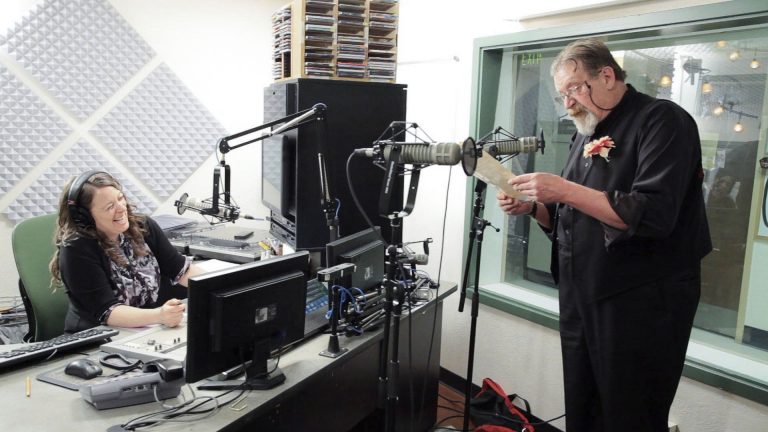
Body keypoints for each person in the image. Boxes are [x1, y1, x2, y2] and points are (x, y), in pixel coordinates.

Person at [497, 39, 711, 432]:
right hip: (584, 291)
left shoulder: (663, 121)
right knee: (583, 402)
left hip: (641, 297)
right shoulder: (586, 130)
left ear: (607, 76)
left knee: (630, 410)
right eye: (562, 95)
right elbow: (574, 215)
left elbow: (652, 213)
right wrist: (535, 208)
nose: (568, 104)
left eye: (574, 89)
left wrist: (563, 189)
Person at [50, 170, 201, 333]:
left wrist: (214, 285)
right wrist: (160, 315)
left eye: (120, 198)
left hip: (146, 327)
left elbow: (181, 270)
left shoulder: (143, 226)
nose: (121, 208)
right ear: (85, 217)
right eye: (110, 207)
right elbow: (107, 311)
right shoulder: (77, 248)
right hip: (97, 335)